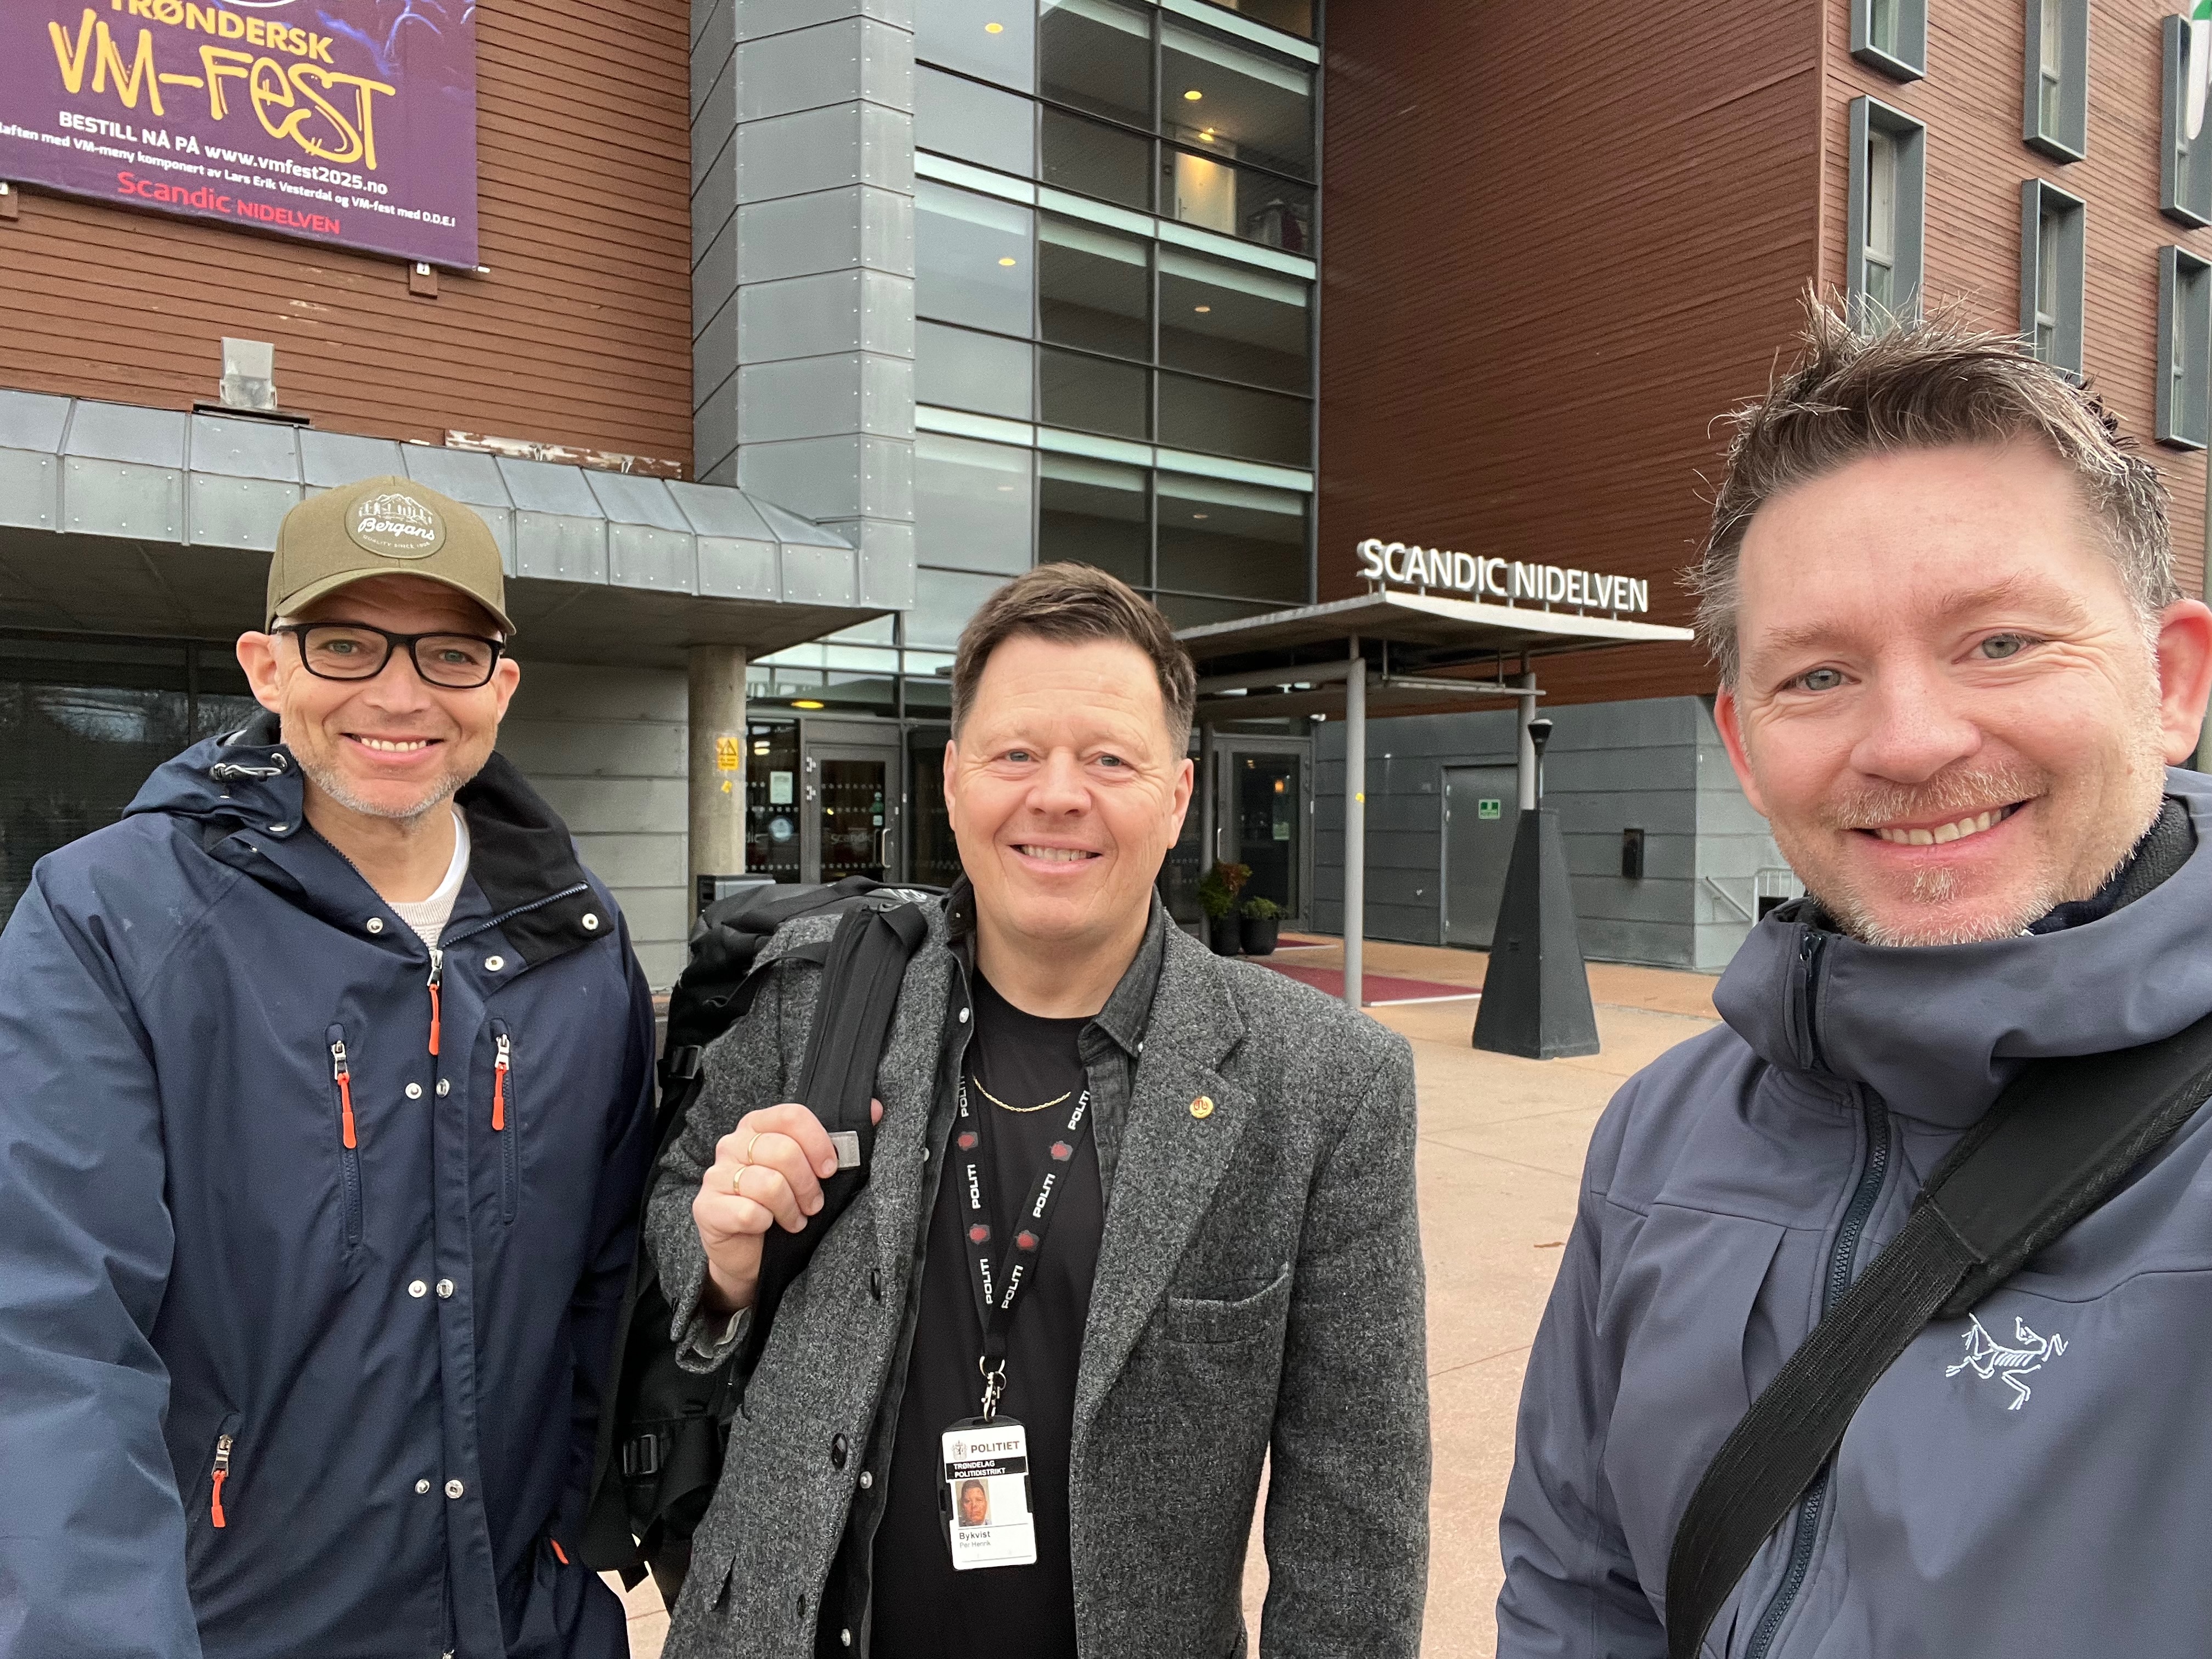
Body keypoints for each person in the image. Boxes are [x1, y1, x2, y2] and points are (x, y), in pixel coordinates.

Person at [1494, 306, 2212, 1656]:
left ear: (2171, 683)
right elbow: (1576, 1583)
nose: (1911, 742)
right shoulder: (1658, 1135)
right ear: (1745, 748)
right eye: (1819, 674)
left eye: (2000, 642)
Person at [646, 563, 1430, 1658]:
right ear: (954, 779)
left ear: (1178, 797)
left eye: (1109, 759)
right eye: (1016, 754)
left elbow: (1355, 1529)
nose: (1058, 795)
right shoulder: (817, 996)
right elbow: (682, 1203)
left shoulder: (1326, 1084)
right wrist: (724, 1267)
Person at [0, 476, 658, 1658]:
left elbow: (605, 1292)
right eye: (345, 644)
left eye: (449, 653)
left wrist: (574, 1550)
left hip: (529, 1627)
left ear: (500, 687)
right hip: (231, 1627)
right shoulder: (109, 917)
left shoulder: (575, 936)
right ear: (266, 668)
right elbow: (48, 1338)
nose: (399, 695)